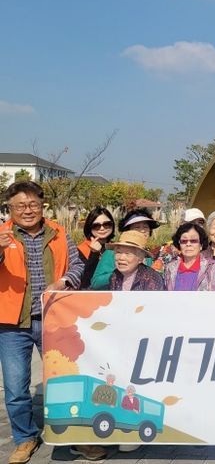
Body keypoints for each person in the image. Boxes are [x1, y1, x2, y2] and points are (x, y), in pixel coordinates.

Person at [0, 181, 88, 463]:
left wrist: (64, 281)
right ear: (9, 208)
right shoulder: (1, 235)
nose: (27, 210)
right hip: (12, 325)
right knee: (16, 388)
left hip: (54, 319)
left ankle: (76, 437)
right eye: (20, 206)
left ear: (42, 205)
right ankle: (25, 438)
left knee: (67, 381)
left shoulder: (59, 233)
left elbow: (78, 265)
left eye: (33, 204)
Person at [89, 208, 160, 289]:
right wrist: (121, 272)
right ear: (127, 230)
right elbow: (95, 282)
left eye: (146, 227)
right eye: (137, 227)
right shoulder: (111, 252)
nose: (142, 230)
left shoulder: (147, 256)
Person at [164, 223, 215, 291]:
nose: (188, 244)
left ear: (201, 245)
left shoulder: (212, 267)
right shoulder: (170, 268)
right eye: (184, 241)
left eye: (193, 241)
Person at [77, 207, 116, 289]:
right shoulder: (80, 250)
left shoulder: (117, 247)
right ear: (89, 227)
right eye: (96, 226)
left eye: (107, 224)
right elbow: (84, 281)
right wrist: (94, 254)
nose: (102, 228)